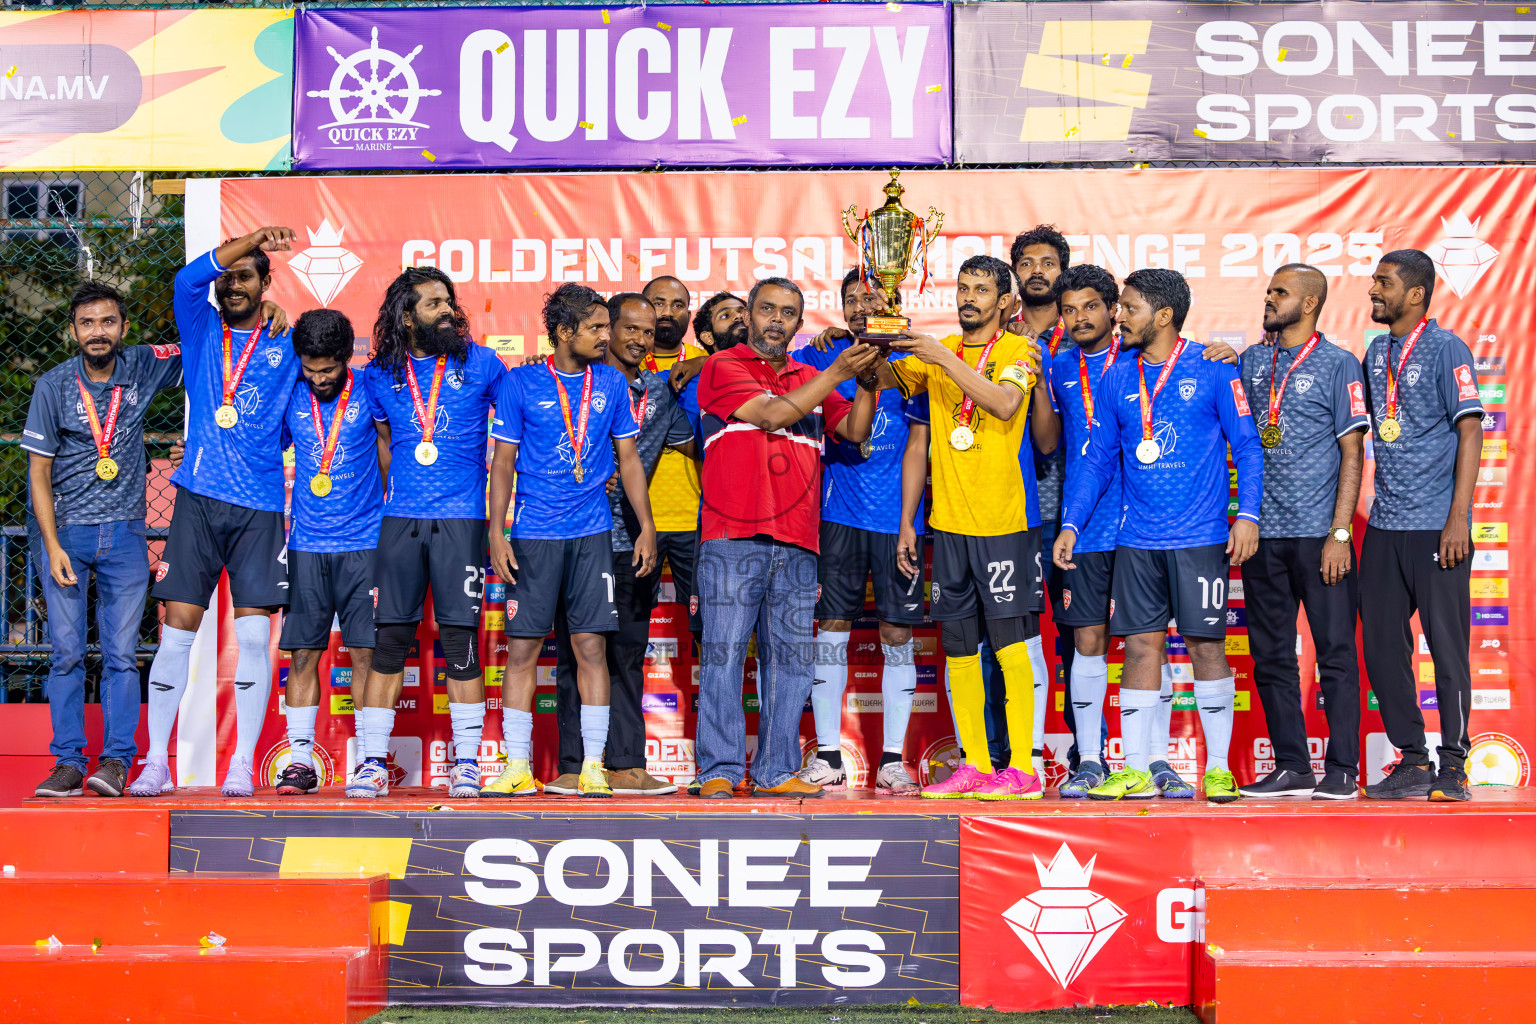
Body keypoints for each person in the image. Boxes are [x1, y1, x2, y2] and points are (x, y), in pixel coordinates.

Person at [1056, 268, 1262, 804]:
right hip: (1137, 538)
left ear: (1164, 315)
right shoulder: (1117, 376)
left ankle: (1218, 769)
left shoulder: (1213, 367)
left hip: (1199, 536)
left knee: (1206, 648)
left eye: (1129, 308)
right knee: (1140, 647)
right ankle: (1136, 769)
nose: (1118, 316)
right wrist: (1073, 523)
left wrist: (1248, 515)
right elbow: (1098, 459)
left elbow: (1247, 446)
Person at [693, 277, 880, 798]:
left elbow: (855, 431)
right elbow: (774, 415)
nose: (777, 320)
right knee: (725, 657)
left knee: (791, 664)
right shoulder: (723, 366)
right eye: (767, 309)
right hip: (732, 536)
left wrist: (867, 379)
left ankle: (775, 770)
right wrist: (839, 372)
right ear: (748, 315)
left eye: (789, 313)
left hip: (798, 539)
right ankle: (719, 770)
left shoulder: (809, 375)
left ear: (799, 322)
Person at [131, 228, 298, 798]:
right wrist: (251, 239)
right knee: (176, 633)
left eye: (245, 275)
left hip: (259, 508)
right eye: (226, 275)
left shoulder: (288, 342)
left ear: (265, 284)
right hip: (198, 501)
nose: (232, 284)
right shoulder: (201, 329)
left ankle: (242, 763)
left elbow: (305, 413)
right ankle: (156, 762)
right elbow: (186, 279)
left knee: (253, 640)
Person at [480, 284, 658, 798]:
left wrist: (645, 526)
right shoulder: (519, 383)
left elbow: (628, 459)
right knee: (522, 649)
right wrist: (496, 530)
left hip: (592, 534)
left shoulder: (611, 382)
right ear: (564, 332)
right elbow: (503, 463)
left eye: (606, 326)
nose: (606, 336)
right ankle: (517, 766)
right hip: (533, 534)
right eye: (596, 327)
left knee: (590, 647)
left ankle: (593, 766)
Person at [883, 255, 1045, 802]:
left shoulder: (1020, 350)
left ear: (1005, 301)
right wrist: (877, 337)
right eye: (963, 287)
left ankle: (1021, 768)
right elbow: (878, 380)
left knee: (1011, 648)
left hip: (1003, 524)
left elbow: (1003, 403)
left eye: (981, 289)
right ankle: (974, 763)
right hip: (947, 525)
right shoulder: (940, 352)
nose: (968, 297)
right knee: (958, 650)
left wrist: (939, 357)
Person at [349, 267, 507, 799]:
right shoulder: (379, 374)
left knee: (461, 640)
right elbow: (385, 444)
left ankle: (467, 763)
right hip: (400, 521)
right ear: (406, 315)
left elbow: (517, 419)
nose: (447, 310)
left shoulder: (483, 363)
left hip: (463, 519)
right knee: (389, 640)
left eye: (449, 301)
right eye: (434, 303)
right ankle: (373, 762)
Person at [26, 283, 183, 798]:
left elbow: (210, 350)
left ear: (124, 327)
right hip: (65, 535)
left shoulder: (142, 364)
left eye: (108, 321)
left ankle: (116, 761)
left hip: (126, 533)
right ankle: (69, 763)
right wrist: (52, 545)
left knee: (121, 655)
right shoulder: (52, 385)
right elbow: (38, 473)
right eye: (87, 323)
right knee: (67, 654)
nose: (98, 332)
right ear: (73, 331)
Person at [546, 292, 693, 796]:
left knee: (627, 654)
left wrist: (702, 364)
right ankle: (573, 766)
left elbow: (695, 445)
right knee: (575, 655)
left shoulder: (660, 392)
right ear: (606, 329)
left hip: (631, 541)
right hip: (576, 537)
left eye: (648, 332)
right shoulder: (569, 383)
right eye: (630, 328)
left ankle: (627, 764)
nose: (640, 340)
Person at [796, 270, 930, 796]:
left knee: (897, 635)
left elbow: (919, 443)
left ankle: (893, 760)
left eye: (870, 299)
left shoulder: (915, 362)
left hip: (898, 522)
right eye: (850, 299)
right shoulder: (823, 356)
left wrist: (908, 523)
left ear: (892, 302)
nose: (859, 307)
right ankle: (829, 755)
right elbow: (770, 366)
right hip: (837, 519)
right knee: (831, 632)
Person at [1236, 265, 1368, 801]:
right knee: (1271, 658)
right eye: (1269, 290)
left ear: (1309, 304)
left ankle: (1343, 769)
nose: (1268, 298)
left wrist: (1340, 533)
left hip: (1319, 537)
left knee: (1335, 654)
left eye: (1280, 292)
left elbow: (1353, 452)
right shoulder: (1249, 361)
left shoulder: (1339, 364)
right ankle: (1292, 766)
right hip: (1260, 536)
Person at [1360, 250, 1483, 803]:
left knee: (1447, 649)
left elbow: (1471, 430)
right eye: (1374, 281)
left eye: (1384, 283)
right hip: (1385, 525)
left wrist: (1458, 518)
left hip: (1438, 526)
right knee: (1383, 647)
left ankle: (1453, 765)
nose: (1373, 290)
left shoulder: (1446, 347)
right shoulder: (1374, 351)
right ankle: (1411, 759)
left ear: (1415, 294)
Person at [275, 309, 382, 796]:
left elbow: (390, 448)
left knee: (365, 653)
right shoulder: (291, 391)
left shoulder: (370, 387)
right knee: (303, 655)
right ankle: (299, 762)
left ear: (346, 358)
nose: (318, 379)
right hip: (306, 545)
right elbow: (256, 443)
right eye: (310, 369)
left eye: (328, 370)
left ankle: (368, 761)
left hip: (366, 542)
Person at [1041, 265, 1128, 797]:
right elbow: (1050, 443)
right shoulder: (1057, 367)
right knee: (1086, 641)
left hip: (1141, 525)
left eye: (1091, 306)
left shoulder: (1142, 358)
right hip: (1085, 525)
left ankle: (1150, 759)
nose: (1079, 318)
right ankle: (1090, 759)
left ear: (1113, 310)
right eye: (1069, 310)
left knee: (1146, 643)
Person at [642, 276, 709, 641]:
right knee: (627, 634)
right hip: (634, 521)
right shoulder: (617, 363)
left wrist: (706, 362)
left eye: (678, 305)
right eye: (658, 303)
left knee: (709, 634)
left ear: (689, 314)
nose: (668, 312)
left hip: (697, 520)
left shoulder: (712, 363)